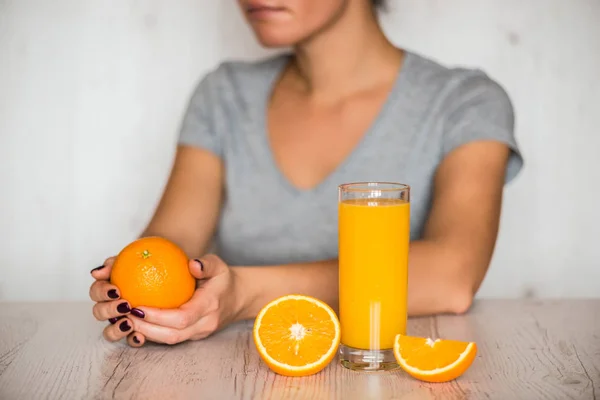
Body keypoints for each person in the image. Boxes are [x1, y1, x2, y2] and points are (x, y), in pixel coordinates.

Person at [89, 0, 523, 347]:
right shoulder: (223, 94)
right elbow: (167, 249)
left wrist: (245, 293)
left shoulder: (465, 101)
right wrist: (137, 295)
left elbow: (453, 277)